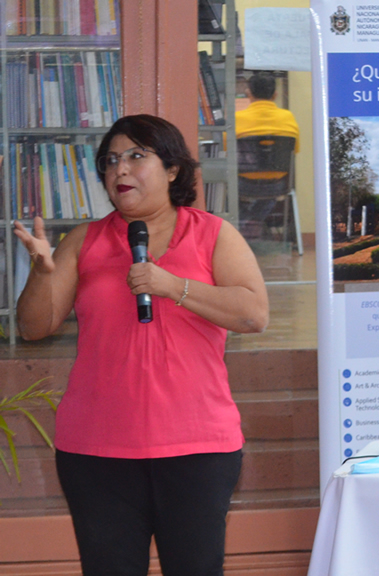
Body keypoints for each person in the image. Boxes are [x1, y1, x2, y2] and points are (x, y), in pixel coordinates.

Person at [13, 114, 269, 576]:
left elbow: (253, 313)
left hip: (197, 448)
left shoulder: (212, 233)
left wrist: (174, 285)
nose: (120, 170)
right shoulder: (84, 240)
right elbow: (35, 328)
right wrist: (42, 272)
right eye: (110, 161)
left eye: (136, 156)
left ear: (172, 170)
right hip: (97, 451)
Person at [235, 71, 299, 152]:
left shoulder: (236, 119)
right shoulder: (288, 117)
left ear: (248, 93)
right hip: (279, 165)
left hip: (245, 164)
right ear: (275, 95)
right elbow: (294, 150)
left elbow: (225, 149)